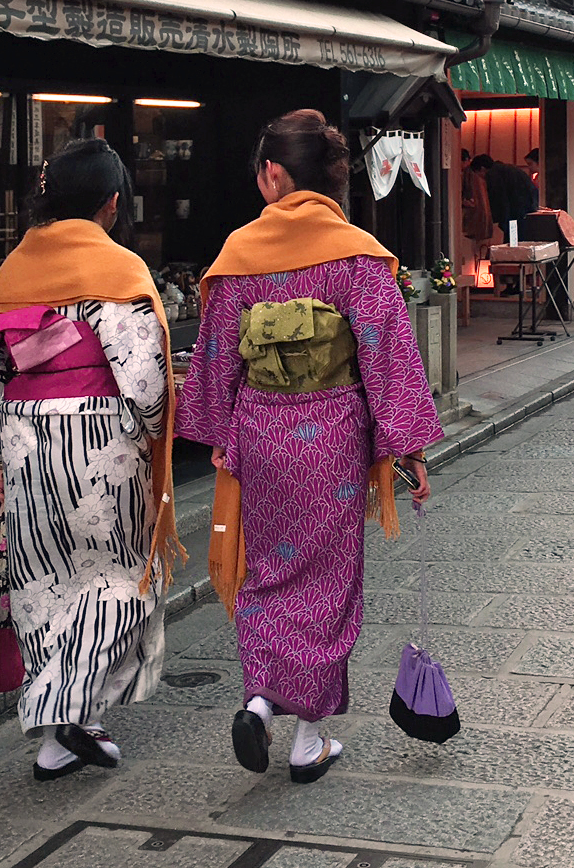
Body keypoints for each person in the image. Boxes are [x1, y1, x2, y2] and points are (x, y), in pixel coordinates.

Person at [178, 110, 443, 785]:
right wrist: (408, 446)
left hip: (262, 431)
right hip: (332, 435)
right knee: (327, 580)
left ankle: (261, 700)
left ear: (272, 176)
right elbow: (387, 356)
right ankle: (307, 737)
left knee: (268, 571)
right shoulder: (355, 252)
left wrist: (218, 434)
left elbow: (214, 365)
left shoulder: (238, 256)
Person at [0, 139, 181, 781]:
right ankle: (67, 708)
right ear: (111, 204)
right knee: (115, 580)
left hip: (25, 442)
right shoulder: (119, 273)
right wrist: (162, 428)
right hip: (103, 443)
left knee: (44, 585)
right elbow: (144, 382)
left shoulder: (11, 274)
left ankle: (60, 738)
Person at [470, 153, 539, 240]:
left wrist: (495, 220)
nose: (481, 177)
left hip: (515, 213)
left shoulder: (493, 175)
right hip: (528, 210)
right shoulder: (506, 169)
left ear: (482, 169)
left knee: (513, 243)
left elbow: (498, 200)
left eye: (478, 173)